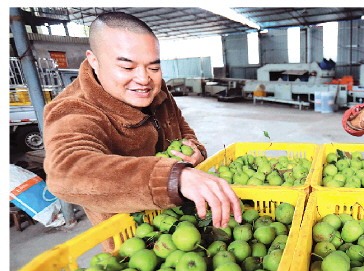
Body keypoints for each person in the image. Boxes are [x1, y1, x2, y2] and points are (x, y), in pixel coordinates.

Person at [43, 11, 242, 246]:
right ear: (94, 61)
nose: (144, 79)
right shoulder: (74, 109)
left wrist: (194, 148)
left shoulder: (156, 91)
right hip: (133, 238)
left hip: (186, 222)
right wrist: (171, 178)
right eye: (127, 68)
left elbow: (182, 128)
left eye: (154, 67)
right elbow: (67, 171)